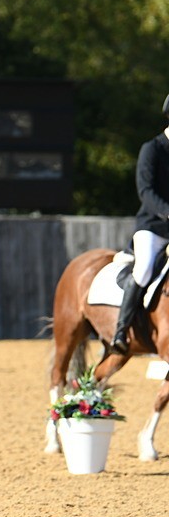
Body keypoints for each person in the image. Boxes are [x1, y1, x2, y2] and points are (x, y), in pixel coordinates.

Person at [112, 93, 169, 355]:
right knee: (144, 269)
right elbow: (145, 191)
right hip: (152, 227)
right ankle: (121, 331)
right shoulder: (152, 149)